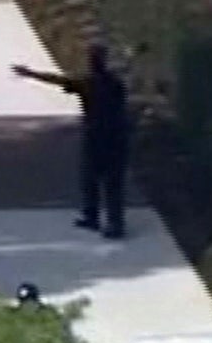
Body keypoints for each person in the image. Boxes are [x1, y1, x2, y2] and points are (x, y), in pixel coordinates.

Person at [11, 44, 130, 240]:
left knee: (91, 178)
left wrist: (31, 73)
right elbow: (122, 69)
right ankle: (115, 222)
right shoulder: (115, 82)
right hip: (117, 135)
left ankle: (93, 217)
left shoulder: (87, 83)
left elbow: (59, 80)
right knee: (112, 181)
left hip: (95, 135)